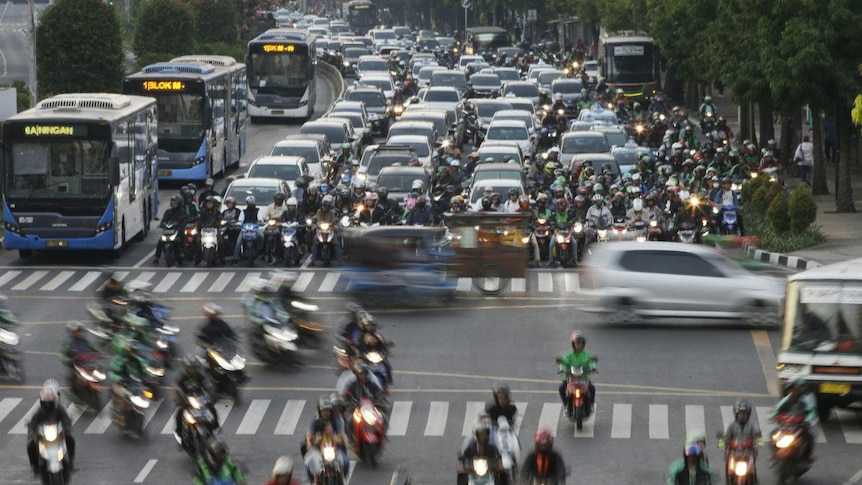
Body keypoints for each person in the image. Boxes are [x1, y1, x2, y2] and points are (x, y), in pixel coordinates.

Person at [27, 380, 76, 476]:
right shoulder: (39, 411)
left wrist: (67, 427)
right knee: (31, 445)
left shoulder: (60, 409)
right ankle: (34, 466)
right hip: (43, 436)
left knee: (70, 440)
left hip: (58, 435)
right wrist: (33, 432)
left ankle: (72, 460)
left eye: (50, 402)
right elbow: (33, 422)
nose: (48, 405)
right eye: (46, 402)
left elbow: (66, 419)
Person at [173, 355, 219, 443]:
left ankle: (215, 426)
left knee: (212, 409)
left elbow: (208, 386)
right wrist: (178, 400)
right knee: (179, 413)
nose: (192, 369)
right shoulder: (182, 378)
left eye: (193, 367)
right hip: (186, 400)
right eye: (190, 368)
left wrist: (212, 395)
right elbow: (176, 390)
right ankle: (179, 431)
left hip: (200, 399)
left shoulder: (200, 376)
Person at [302, 397, 350, 481]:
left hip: (335, 448)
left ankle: (343, 479)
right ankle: (312, 480)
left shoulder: (336, 420)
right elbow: (310, 434)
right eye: (324, 410)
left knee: (345, 462)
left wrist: (345, 442)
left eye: (328, 410)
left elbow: (342, 434)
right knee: (309, 462)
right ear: (320, 411)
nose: (326, 413)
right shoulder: (315, 421)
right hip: (318, 449)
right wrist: (310, 444)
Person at [772, 378, 817, 463]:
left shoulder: (806, 401)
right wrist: (774, 416)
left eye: (796, 389)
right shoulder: (787, 399)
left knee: (809, 438)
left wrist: (807, 421)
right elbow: (777, 409)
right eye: (792, 388)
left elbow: (812, 413)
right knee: (773, 435)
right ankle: (775, 453)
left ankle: (805, 457)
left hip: (799, 427)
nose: (793, 391)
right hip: (786, 426)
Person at [558, 332, 596, 419]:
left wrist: (592, 368)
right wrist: (562, 369)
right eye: (577, 343)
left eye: (581, 343)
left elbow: (591, 362)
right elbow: (563, 363)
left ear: (583, 344)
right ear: (573, 344)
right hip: (570, 378)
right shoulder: (568, 354)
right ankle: (566, 405)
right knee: (561, 388)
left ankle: (591, 405)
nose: (579, 345)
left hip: (583, 378)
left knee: (592, 388)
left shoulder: (586, 354)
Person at [719, 399, 763, 463]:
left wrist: (759, 440)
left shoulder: (752, 426)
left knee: (753, 460)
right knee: (727, 459)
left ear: (748, 414)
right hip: (734, 453)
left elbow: (758, 436)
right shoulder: (732, 426)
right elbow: (726, 436)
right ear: (736, 414)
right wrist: (722, 441)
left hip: (748, 453)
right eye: (740, 413)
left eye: (744, 413)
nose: (742, 415)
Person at [153, 195, 187, 265]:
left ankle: (181, 253)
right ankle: (156, 258)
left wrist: (181, 225)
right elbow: (164, 220)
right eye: (172, 203)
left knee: (181, 237)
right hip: (169, 230)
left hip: (177, 230)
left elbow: (185, 220)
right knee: (160, 241)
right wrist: (162, 224)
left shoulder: (182, 212)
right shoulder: (168, 212)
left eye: (175, 203)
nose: (174, 204)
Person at [311, 195, 342, 262]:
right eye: (323, 206)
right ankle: (313, 259)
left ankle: (339, 258)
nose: (324, 208)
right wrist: (316, 223)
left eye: (326, 206)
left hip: (330, 230)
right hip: (320, 231)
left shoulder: (331, 213)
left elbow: (334, 220)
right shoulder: (319, 212)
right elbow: (318, 220)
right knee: (315, 242)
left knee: (336, 242)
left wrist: (334, 223)